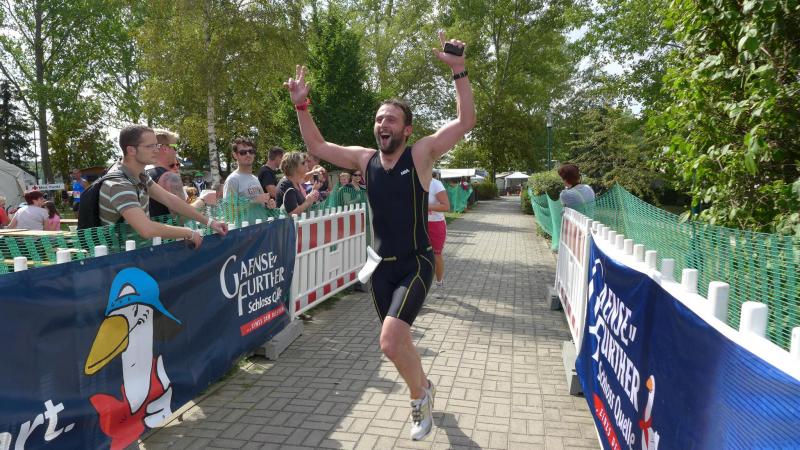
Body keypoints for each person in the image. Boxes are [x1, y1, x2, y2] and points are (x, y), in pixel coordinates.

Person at [284, 31, 475, 440]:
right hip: (379, 268)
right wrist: (301, 104)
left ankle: (418, 399)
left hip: (416, 262)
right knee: (398, 343)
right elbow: (316, 143)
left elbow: (464, 123)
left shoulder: (420, 154)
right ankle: (425, 386)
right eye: (378, 118)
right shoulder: (364, 159)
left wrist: (459, 70)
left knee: (389, 342)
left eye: (390, 119)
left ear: (406, 129)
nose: (382, 123)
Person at [99, 125, 228, 247]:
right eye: (150, 146)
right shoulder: (119, 183)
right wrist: (189, 232)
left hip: (138, 253)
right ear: (131, 150)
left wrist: (210, 222)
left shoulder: (139, 174)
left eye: (156, 145)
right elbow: (146, 229)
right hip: (121, 258)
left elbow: (169, 199)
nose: (156, 150)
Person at [222, 137, 276, 208]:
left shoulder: (255, 179)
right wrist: (253, 201)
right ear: (235, 155)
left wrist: (268, 205)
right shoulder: (232, 180)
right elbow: (228, 210)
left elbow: (261, 204)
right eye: (243, 152)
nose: (248, 154)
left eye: (251, 151)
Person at [275, 152, 320, 216]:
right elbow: (292, 213)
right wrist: (308, 202)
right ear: (294, 167)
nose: (306, 164)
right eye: (303, 163)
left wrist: (312, 195)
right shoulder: (286, 184)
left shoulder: (295, 182)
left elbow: (302, 206)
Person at [427, 174, 450, 298]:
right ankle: (420, 288)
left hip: (435, 224)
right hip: (418, 223)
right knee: (418, 256)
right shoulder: (412, 181)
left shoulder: (435, 184)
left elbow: (446, 206)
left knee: (436, 256)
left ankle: (439, 283)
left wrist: (426, 207)